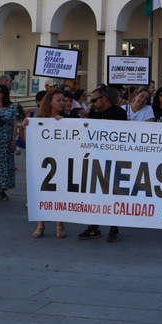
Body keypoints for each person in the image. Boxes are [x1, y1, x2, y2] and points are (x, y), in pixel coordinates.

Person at [79, 86, 127, 242]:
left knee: (113, 194)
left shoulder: (118, 113)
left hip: (114, 160)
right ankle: (94, 227)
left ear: (104, 99)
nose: (91, 103)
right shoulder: (93, 113)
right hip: (95, 158)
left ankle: (114, 228)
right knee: (95, 194)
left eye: (94, 100)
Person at [31, 89, 69, 240]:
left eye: (63, 100)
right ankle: (41, 224)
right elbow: (28, 140)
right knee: (42, 192)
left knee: (60, 192)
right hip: (42, 160)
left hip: (61, 159)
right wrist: (25, 126)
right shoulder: (39, 118)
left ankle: (60, 224)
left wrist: (64, 124)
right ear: (50, 102)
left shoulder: (68, 118)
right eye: (58, 100)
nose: (62, 103)